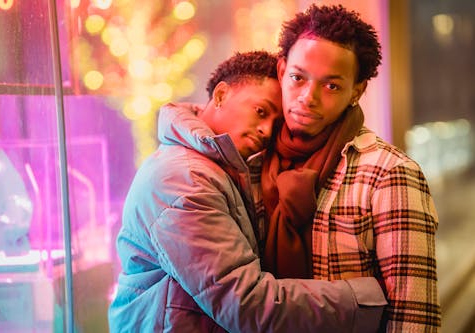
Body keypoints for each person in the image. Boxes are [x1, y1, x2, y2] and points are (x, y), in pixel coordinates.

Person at [108, 50, 387, 332]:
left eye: (274, 123)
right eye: (261, 111)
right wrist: (362, 299)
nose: (267, 130)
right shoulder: (185, 179)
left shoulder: (216, 167)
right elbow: (245, 302)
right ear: (220, 96)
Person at [259, 4, 441, 332]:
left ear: (356, 91)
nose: (308, 97)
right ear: (282, 70)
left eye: (331, 86)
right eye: (298, 78)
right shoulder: (257, 158)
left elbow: (414, 317)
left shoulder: (389, 173)